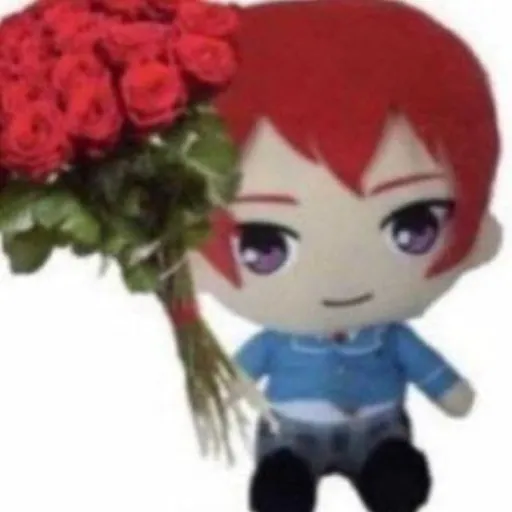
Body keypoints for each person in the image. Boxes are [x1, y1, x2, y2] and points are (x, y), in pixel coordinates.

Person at [189, 1, 502, 510]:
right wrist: (221, 395)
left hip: (380, 431)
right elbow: (236, 380)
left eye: (412, 226)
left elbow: (432, 373)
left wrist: (450, 391)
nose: (339, 275)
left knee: (395, 479)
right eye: (265, 244)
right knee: (284, 485)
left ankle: (383, 469)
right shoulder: (275, 343)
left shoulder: (391, 338)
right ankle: (288, 475)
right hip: (291, 432)